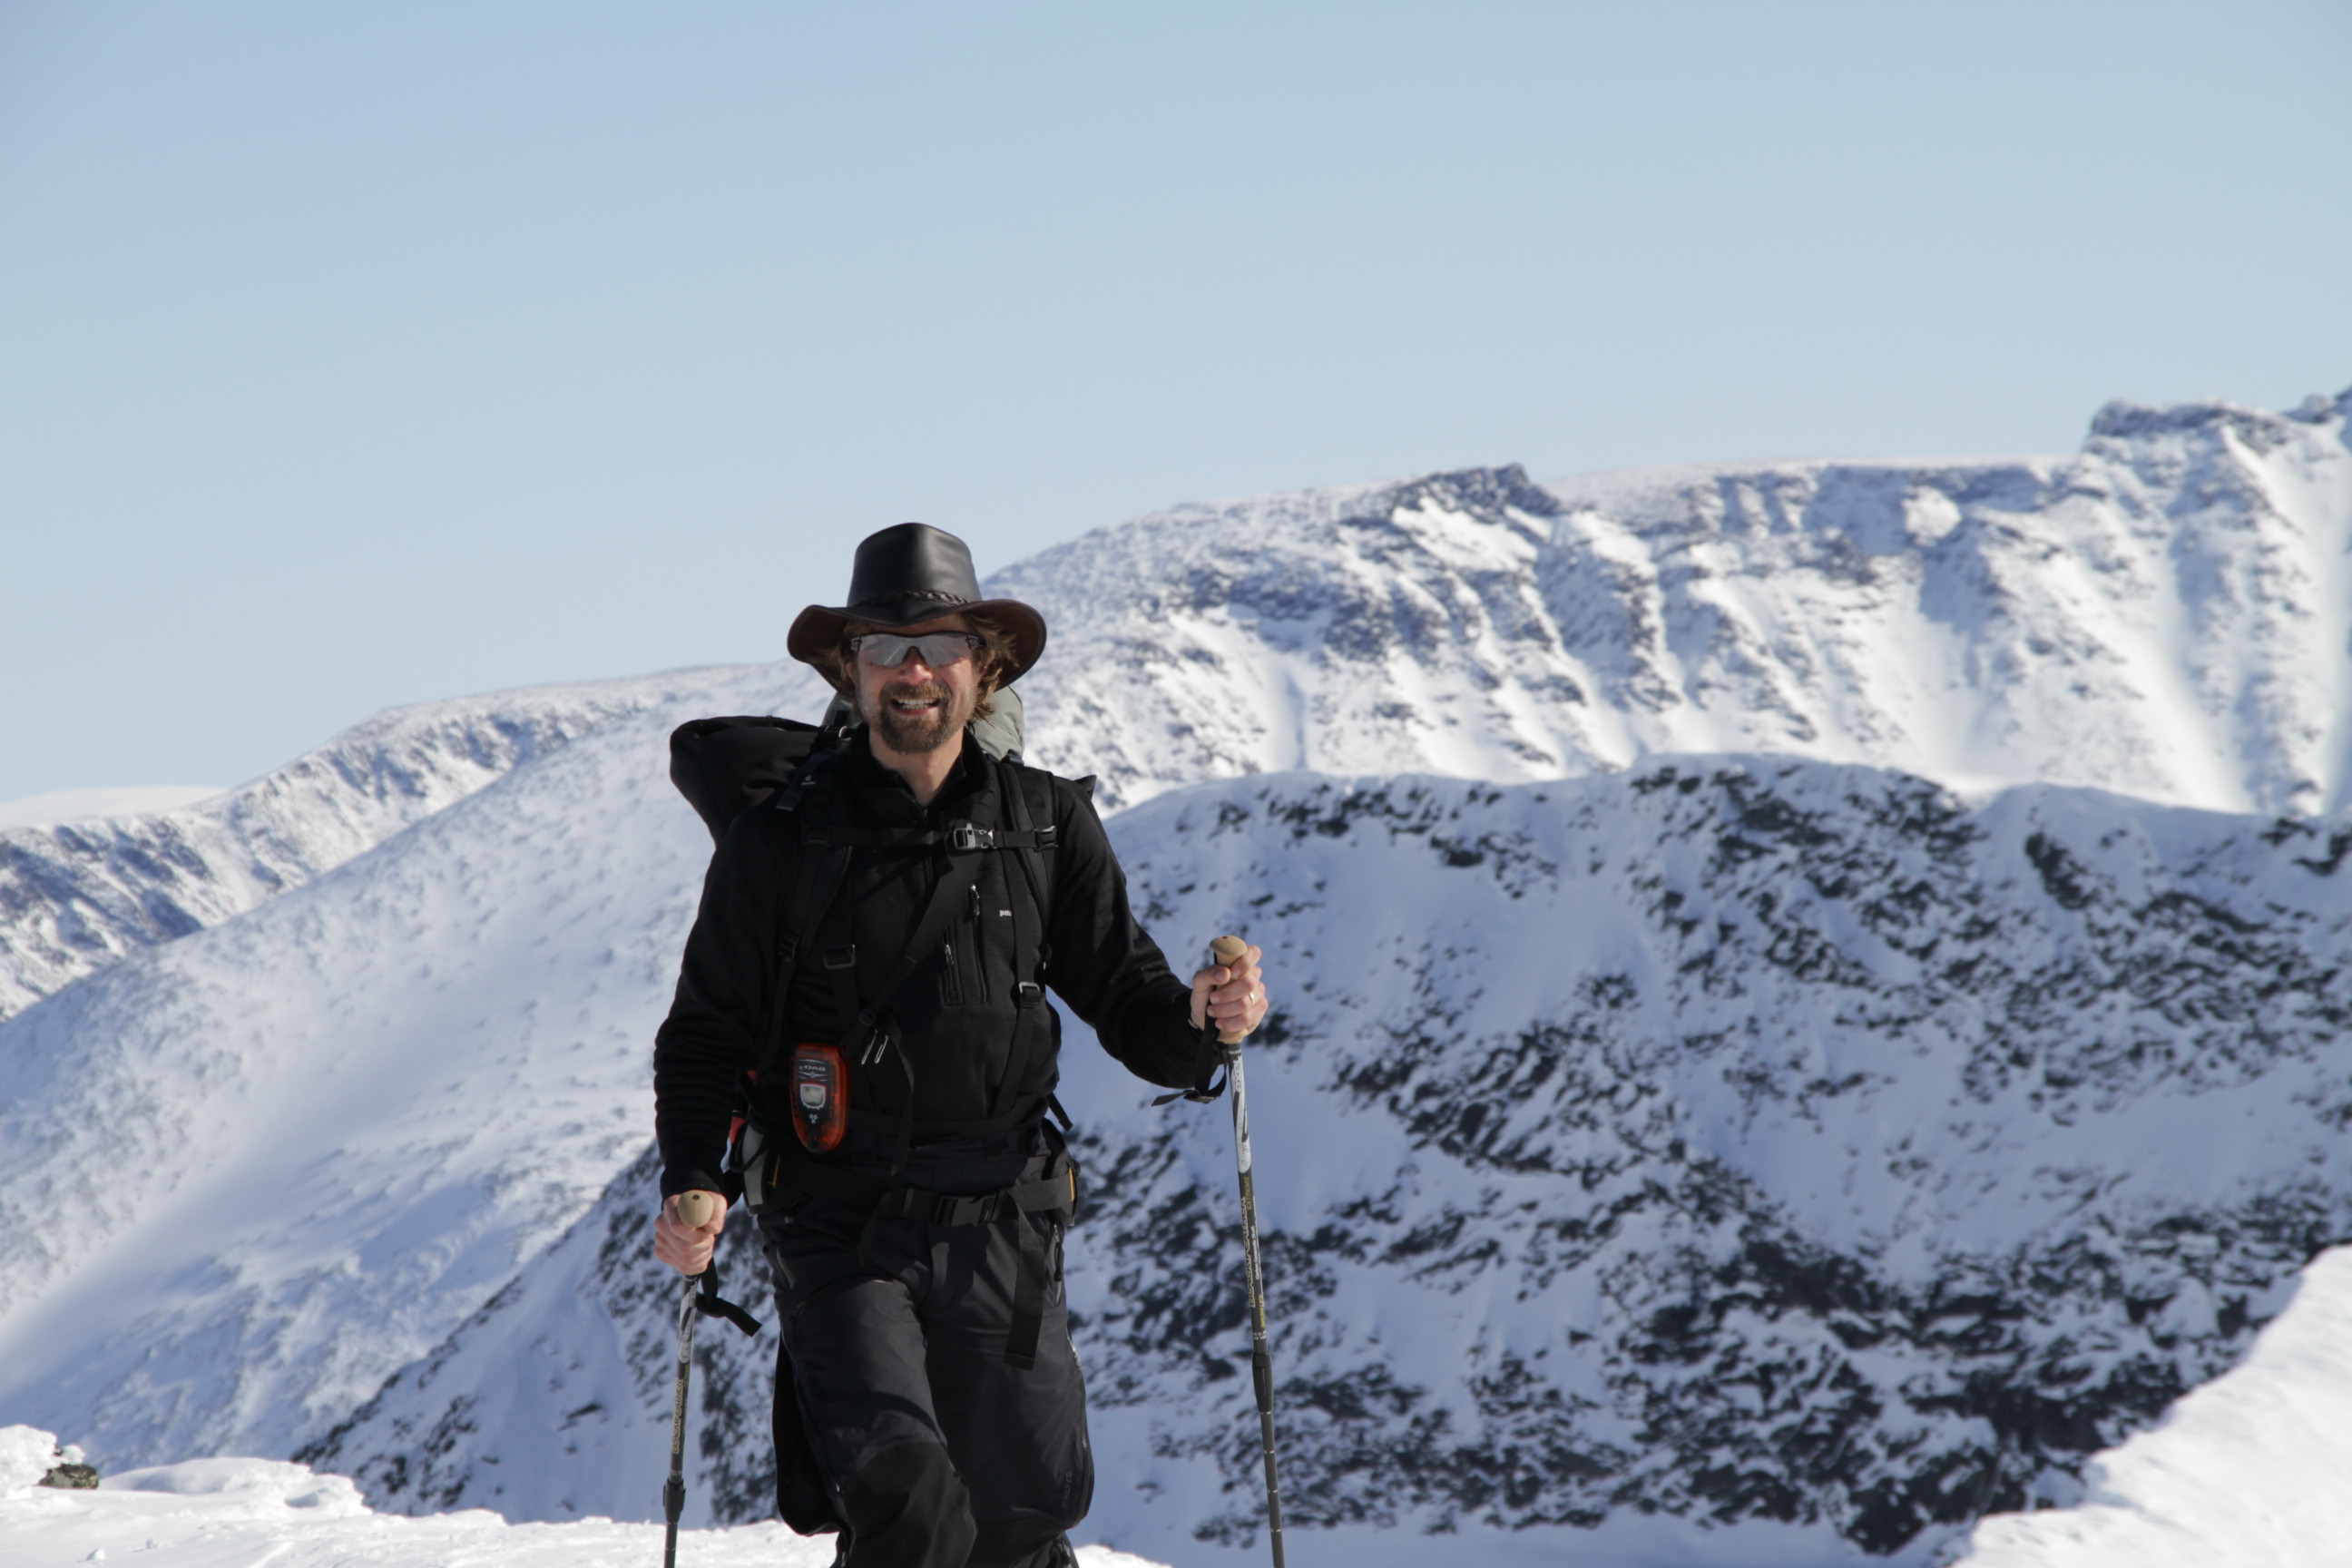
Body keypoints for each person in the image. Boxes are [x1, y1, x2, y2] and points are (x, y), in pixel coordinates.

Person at [650, 523, 1269, 1568]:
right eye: (887, 647)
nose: (914, 669)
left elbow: (1126, 994)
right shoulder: (780, 846)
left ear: (986, 668)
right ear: (850, 672)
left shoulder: (1048, 826)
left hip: (1004, 1225)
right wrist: (693, 1180)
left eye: (938, 644)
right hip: (838, 1222)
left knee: (1017, 1525)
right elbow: (705, 1033)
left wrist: (1203, 1021)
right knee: (906, 1494)